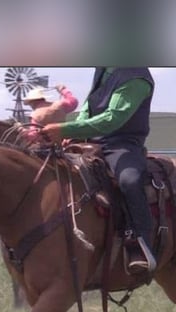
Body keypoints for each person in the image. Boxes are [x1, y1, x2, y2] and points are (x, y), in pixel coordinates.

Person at [40, 67, 156, 275]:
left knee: (129, 180)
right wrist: (75, 130)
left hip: (122, 144)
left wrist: (65, 129)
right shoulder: (104, 69)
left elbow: (113, 119)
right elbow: (88, 105)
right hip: (91, 140)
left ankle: (140, 243)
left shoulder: (136, 75)